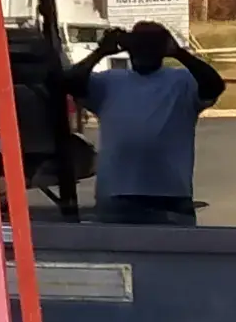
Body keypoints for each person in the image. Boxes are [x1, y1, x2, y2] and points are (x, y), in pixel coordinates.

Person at [69, 19, 224, 226]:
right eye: (138, 46)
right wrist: (100, 52)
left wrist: (180, 53)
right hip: (117, 193)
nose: (143, 52)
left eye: (150, 46)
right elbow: (70, 83)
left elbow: (214, 86)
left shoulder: (183, 81)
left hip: (170, 195)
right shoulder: (108, 82)